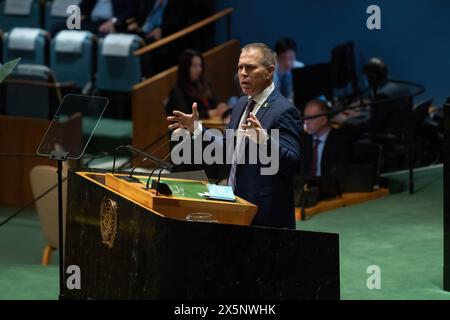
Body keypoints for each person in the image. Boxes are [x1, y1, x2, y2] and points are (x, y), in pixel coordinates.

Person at [167, 43, 302, 229]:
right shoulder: (240, 105)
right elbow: (226, 149)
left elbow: (294, 165)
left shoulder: (284, 111)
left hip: (266, 217)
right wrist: (196, 129)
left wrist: (264, 141)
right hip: (235, 209)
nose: (243, 73)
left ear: (270, 72)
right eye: (240, 67)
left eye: (250, 67)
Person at [165, 49, 229, 120]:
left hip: (213, 122)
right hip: (192, 128)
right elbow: (186, 115)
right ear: (185, 68)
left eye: (200, 65)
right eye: (195, 66)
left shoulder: (204, 82)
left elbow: (216, 101)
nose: (199, 69)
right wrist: (209, 113)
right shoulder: (177, 90)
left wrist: (220, 106)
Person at [302, 99, 352, 178]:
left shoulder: (341, 140)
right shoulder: (303, 139)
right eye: (305, 117)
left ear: (324, 120)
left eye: (310, 118)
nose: (306, 122)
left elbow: (343, 174)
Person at [273, 38, 304, 103]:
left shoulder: (300, 69)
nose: (288, 63)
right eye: (283, 58)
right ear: (276, 57)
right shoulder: (268, 69)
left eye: (291, 58)